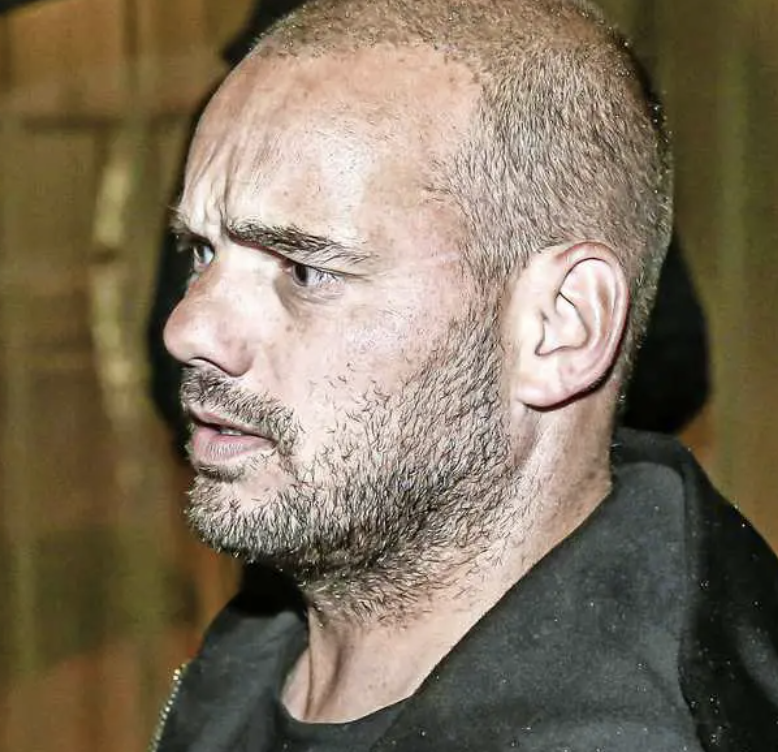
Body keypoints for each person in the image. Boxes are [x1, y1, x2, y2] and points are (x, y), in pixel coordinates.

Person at [152, 1, 778, 750]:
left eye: (305, 270)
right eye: (202, 251)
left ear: (561, 328)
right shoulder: (283, 623)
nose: (186, 329)